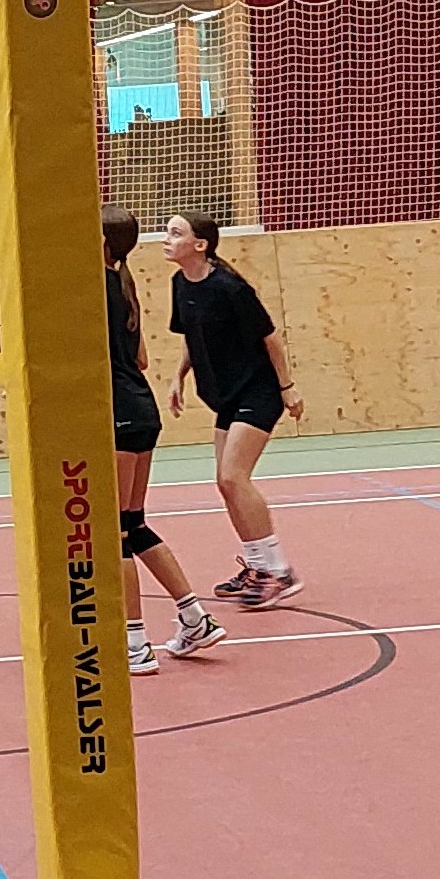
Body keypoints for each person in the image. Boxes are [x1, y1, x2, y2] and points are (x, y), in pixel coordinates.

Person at [103, 205, 227, 672]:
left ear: (101, 243)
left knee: (115, 532)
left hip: (119, 414)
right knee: (134, 524)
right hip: (141, 409)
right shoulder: (123, 284)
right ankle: (194, 619)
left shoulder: (95, 289)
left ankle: (134, 644)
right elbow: (141, 360)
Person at [163, 211, 304, 607]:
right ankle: (258, 567)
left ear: (200, 244)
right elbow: (191, 336)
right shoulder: (180, 284)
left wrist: (287, 387)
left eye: (176, 233)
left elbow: (270, 339)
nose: (167, 239)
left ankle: (279, 572)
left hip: (257, 392)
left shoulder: (230, 288)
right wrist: (178, 377)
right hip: (225, 396)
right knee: (224, 484)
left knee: (234, 476)